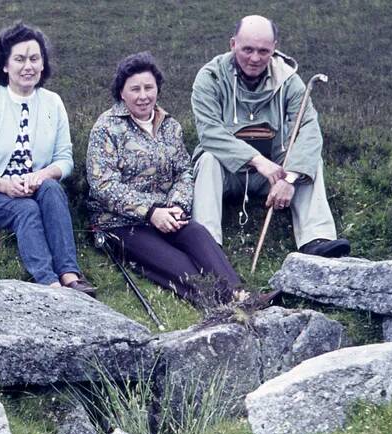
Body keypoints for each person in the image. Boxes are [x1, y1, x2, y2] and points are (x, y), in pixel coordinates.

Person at [86, 52, 245, 309]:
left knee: (197, 233)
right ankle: (222, 305)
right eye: (134, 89)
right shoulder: (106, 128)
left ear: (157, 89)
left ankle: (240, 296)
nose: (143, 95)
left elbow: (184, 171)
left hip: (168, 215)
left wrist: (176, 206)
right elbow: (103, 185)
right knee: (178, 266)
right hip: (121, 223)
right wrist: (150, 212)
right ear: (121, 93)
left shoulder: (170, 125)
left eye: (149, 87)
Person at [190, 15, 351, 258]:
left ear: (274, 48)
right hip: (228, 174)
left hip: (275, 174)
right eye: (247, 49)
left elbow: (308, 127)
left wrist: (290, 178)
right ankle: (206, 244)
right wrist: (257, 160)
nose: (255, 58)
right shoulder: (209, 77)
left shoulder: (289, 80)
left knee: (309, 161)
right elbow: (209, 132)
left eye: (263, 51)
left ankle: (316, 238)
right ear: (232, 44)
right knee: (208, 159)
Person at [0, 22, 96, 296]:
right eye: (19, 59)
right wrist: (4, 186)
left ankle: (70, 273)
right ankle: (48, 282)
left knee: (53, 189)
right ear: (5, 65)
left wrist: (42, 175)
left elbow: (64, 159)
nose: (28, 66)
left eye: (34, 59)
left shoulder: (53, 103)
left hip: (34, 186)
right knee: (26, 210)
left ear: (43, 65)